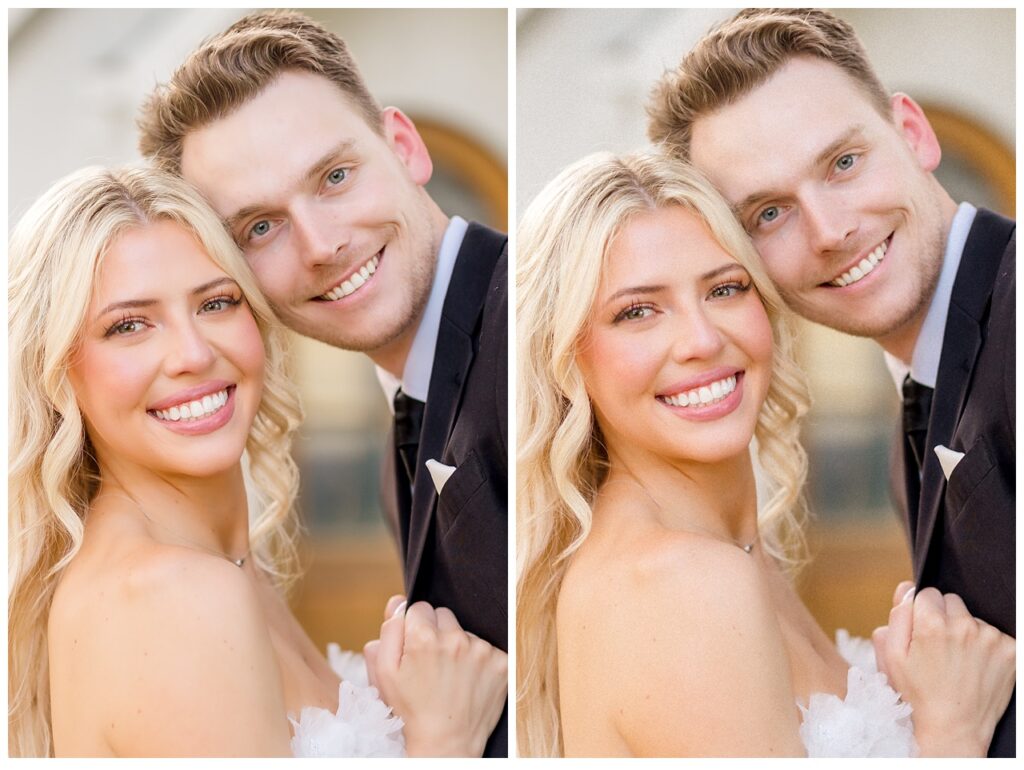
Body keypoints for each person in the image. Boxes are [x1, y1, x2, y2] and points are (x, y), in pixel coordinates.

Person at [515, 151, 1015, 757]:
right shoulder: (680, 584)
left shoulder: (736, 554)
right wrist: (953, 732)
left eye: (725, 289)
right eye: (638, 311)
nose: (702, 340)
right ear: (567, 359)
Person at [7, 165, 507, 757]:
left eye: (216, 303)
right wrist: (442, 741)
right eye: (130, 325)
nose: (193, 354)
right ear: (57, 370)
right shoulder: (171, 595)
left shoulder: (226, 567)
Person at [135, 12, 509, 753]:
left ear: (404, 147)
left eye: (335, 178)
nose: (321, 246)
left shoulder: (538, 335)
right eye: (259, 228)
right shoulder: (400, 435)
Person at [646, 8, 1015, 756]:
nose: (828, 229)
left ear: (912, 133)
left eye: (843, 163)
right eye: (770, 211)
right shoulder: (919, 404)